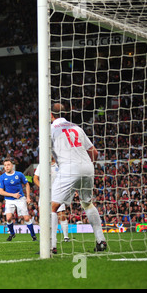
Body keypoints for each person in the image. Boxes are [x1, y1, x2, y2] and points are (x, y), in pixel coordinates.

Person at [50, 103, 106, 254]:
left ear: (51, 115)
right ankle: (100, 240)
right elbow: (94, 152)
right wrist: (88, 167)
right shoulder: (77, 128)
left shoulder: (50, 129)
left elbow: (47, 154)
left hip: (68, 168)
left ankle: (51, 246)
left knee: (52, 207)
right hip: (87, 167)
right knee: (87, 203)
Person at [0, 158, 37, 241]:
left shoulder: (19, 174)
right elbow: (1, 192)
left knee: (26, 218)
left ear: (12, 166)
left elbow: (27, 185)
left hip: (20, 199)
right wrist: (13, 195)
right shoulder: (2, 177)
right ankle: (12, 233)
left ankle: (33, 235)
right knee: (8, 218)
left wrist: (28, 197)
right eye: (5, 165)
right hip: (9, 200)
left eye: (8, 165)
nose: (6, 167)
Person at [34, 158, 70, 242]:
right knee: (43, 215)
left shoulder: (59, 164)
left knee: (61, 214)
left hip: (58, 192)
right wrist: (42, 187)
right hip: (45, 193)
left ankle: (66, 237)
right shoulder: (42, 165)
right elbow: (35, 178)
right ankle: (45, 237)